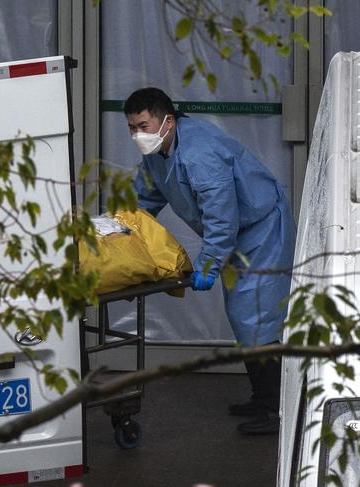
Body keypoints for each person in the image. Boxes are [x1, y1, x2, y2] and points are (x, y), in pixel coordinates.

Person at [124, 87, 296, 435]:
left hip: (261, 229)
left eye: (142, 125)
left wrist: (208, 265)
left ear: (167, 121)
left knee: (257, 319)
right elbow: (147, 197)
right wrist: (122, 232)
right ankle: (262, 398)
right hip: (239, 231)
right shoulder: (158, 150)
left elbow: (222, 219)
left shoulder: (199, 153)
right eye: (131, 128)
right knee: (244, 318)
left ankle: (276, 412)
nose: (137, 135)